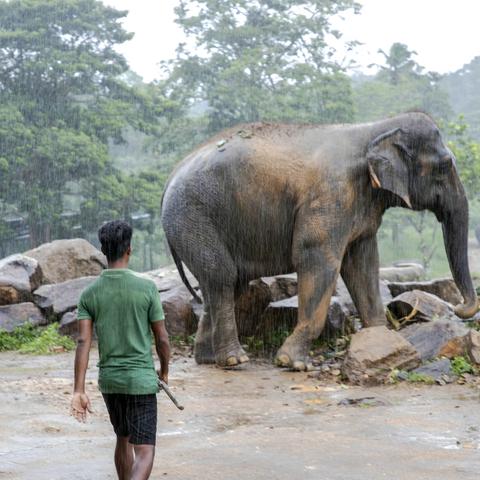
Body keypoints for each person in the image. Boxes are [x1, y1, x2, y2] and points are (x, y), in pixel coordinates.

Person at [71, 220, 170, 480]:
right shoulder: (147, 288)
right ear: (130, 250)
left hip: (111, 382)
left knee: (122, 437)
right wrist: (165, 372)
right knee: (145, 451)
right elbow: (162, 339)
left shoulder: (90, 294)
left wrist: (78, 390)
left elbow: (83, 342)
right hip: (141, 381)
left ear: (104, 251)